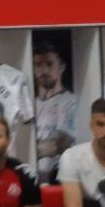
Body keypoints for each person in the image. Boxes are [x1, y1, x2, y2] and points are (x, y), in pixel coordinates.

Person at [34, 43, 78, 183]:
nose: (44, 70)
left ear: (62, 67)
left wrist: (32, 148)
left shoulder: (71, 101)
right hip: (34, 176)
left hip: (59, 176)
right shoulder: (31, 103)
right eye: (38, 65)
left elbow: (61, 144)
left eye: (49, 64)